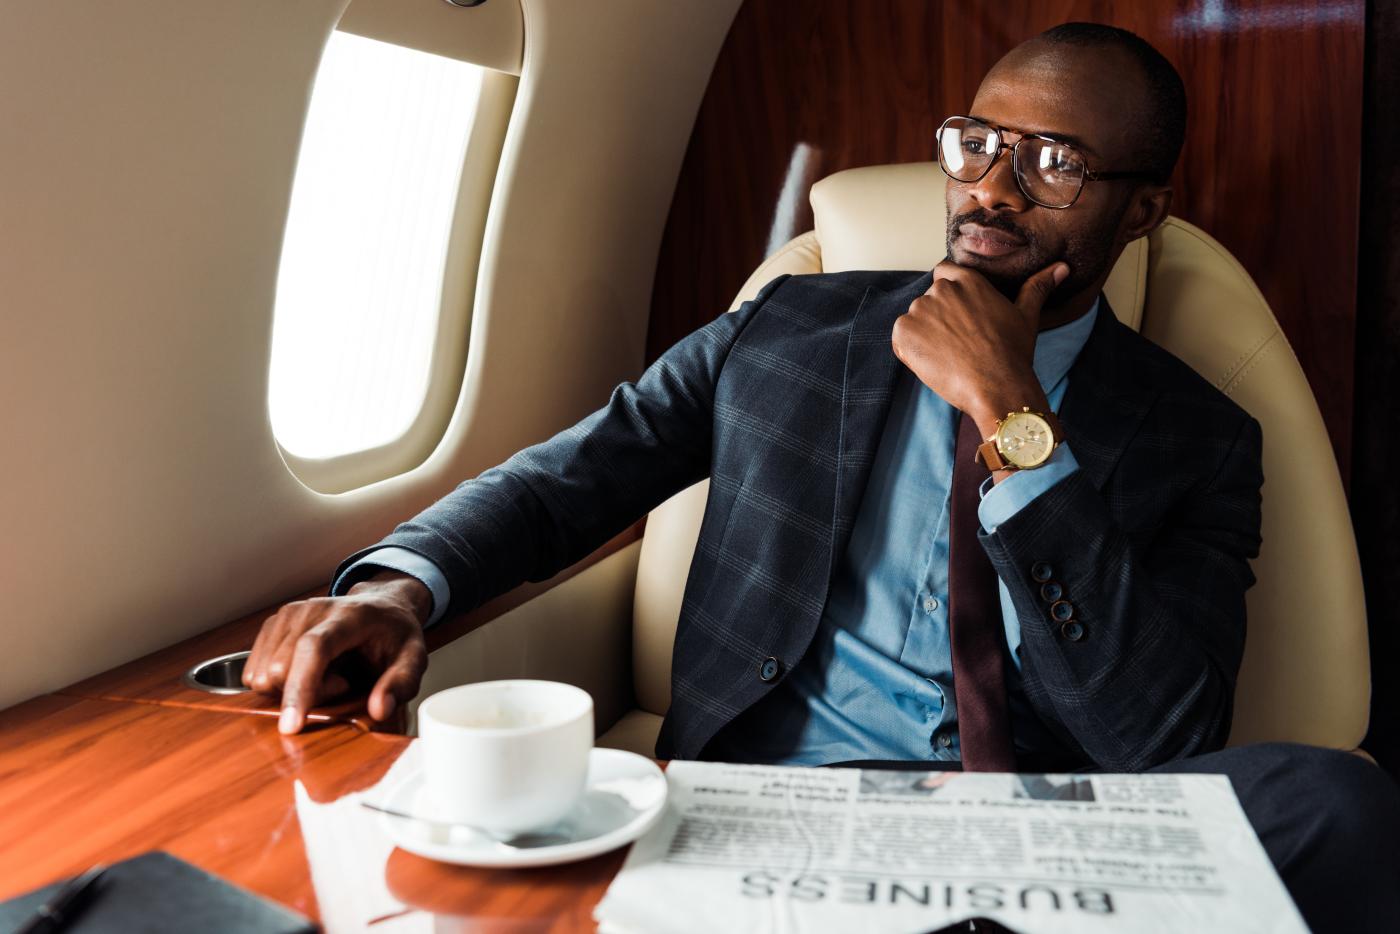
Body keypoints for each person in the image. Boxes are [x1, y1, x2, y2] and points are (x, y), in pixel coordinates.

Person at [244, 22, 1399, 931]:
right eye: (975, 142)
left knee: (1341, 804)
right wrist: (399, 587)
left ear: (1142, 208)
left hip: (1047, 838)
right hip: (770, 804)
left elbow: (1159, 739)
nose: (992, 188)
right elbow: (567, 479)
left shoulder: (1197, 437)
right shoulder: (787, 329)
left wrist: (1012, 413)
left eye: (1054, 163)